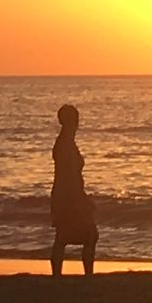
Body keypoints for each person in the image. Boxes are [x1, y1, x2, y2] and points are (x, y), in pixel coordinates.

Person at [49, 104, 98, 276]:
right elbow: (69, 175)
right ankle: (86, 274)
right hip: (68, 194)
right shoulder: (65, 144)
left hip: (65, 193)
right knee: (89, 234)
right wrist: (78, 199)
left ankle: (59, 274)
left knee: (64, 236)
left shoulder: (66, 141)